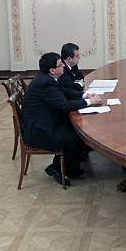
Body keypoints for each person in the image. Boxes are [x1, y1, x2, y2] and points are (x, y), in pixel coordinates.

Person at [21, 52, 102, 186]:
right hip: (39, 131)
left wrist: (85, 95)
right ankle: (57, 168)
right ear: (52, 70)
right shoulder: (45, 83)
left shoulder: (47, 78)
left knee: (77, 132)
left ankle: (70, 167)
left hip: (44, 121)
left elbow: (65, 92)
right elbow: (64, 105)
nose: (63, 66)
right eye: (60, 65)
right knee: (75, 138)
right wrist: (90, 102)